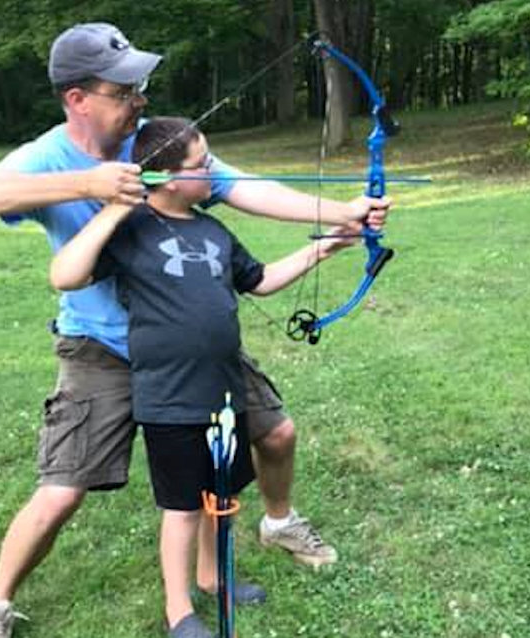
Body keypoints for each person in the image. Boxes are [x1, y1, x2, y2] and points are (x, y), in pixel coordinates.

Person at [0, 22, 391, 638]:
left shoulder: (158, 144)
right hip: (101, 347)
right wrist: (88, 185)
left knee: (272, 435)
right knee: (62, 491)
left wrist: (340, 213)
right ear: (78, 98)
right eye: (124, 89)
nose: (140, 100)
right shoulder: (48, 156)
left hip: (188, 348)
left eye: (141, 87)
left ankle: (274, 525)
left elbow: (241, 187)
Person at [50, 116, 360, 638]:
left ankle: (213, 579)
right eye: (202, 164)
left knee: (221, 495)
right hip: (169, 397)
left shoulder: (214, 229)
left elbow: (258, 281)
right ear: (166, 178)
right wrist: (113, 210)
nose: (213, 171)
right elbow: (66, 274)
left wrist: (323, 246)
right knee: (182, 507)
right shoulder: (129, 233)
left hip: (223, 389)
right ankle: (180, 612)